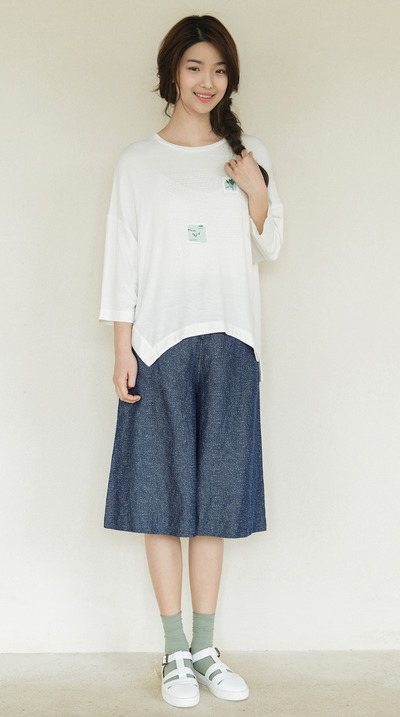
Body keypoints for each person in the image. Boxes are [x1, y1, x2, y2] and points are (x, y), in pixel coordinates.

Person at [99, 14, 283, 709]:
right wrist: (123, 348)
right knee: (160, 499)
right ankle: (174, 650)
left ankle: (206, 648)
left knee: (217, 503)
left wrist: (254, 186)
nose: (208, 82)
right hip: (159, 343)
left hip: (233, 341)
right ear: (172, 72)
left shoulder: (247, 151)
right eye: (196, 67)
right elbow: (122, 259)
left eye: (220, 70)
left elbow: (271, 241)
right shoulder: (137, 162)